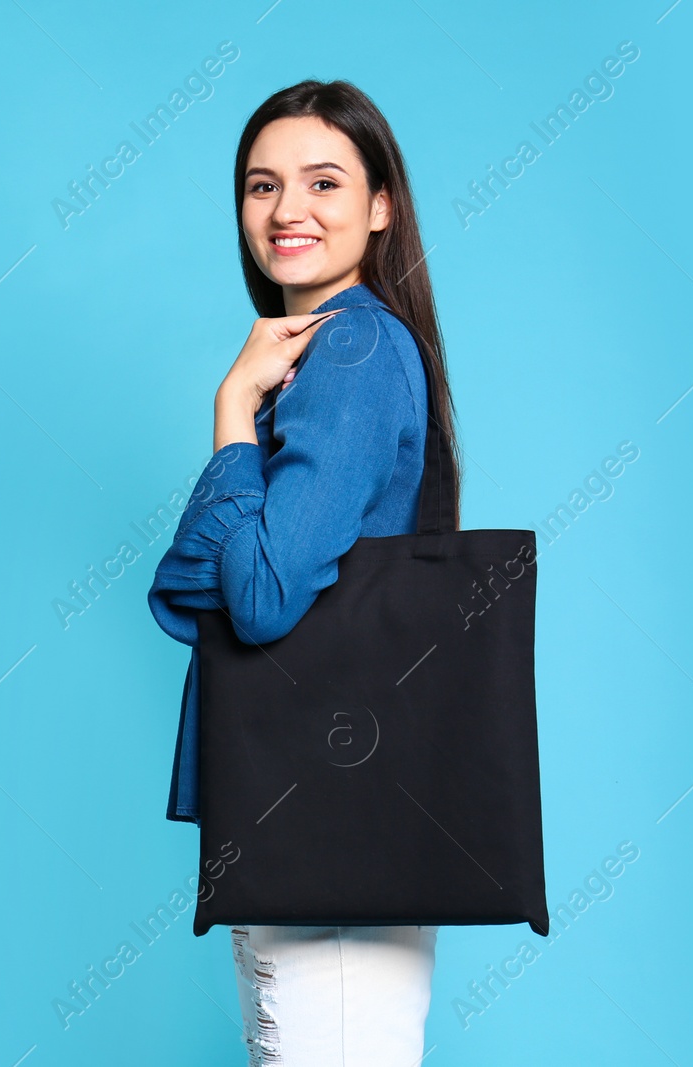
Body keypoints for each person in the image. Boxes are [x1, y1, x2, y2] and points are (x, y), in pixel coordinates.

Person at [145, 79, 462, 1065]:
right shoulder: (340, 352)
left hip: (321, 820)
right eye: (260, 185)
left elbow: (258, 591)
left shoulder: (353, 347)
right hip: (327, 812)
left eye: (324, 181)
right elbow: (188, 585)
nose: (287, 211)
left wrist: (232, 411)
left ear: (380, 207)